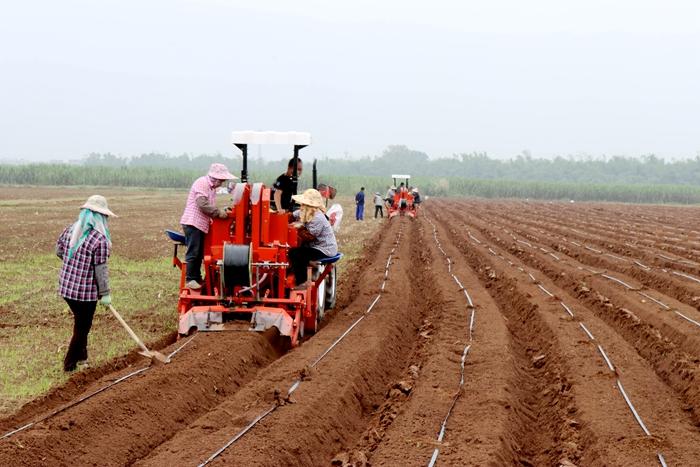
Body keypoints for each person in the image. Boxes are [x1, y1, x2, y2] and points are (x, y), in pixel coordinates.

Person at [55, 195, 116, 372]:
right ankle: (69, 364)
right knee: (82, 327)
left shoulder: (70, 230)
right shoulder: (100, 240)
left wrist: (72, 264)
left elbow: (58, 251)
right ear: (101, 217)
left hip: (66, 288)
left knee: (80, 322)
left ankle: (82, 358)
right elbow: (101, 270)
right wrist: (105, 293)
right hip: (84, 294)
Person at [180, 163, 237, 289]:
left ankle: (197, 277)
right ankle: (190, 279)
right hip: (193, 222)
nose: (221, 183)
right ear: (215, 178)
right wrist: (218, 213)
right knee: (194, 251)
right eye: (221, 180)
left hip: (200, 224)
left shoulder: (211, 188)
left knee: (199, 252)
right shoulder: (202, 183)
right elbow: (203, 204)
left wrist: (221, 211)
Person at [288, 189, 338, 286]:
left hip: (325, 249)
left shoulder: (318, 217)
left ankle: (302, 282)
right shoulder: (305, 212)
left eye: (303, 204)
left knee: (295, 253)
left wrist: (298, 228)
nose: (301, 206)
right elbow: (292, 215)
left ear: (309, 206)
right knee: (298, 251)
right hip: (317, 246)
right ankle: (309, 262)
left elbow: (309, 237)